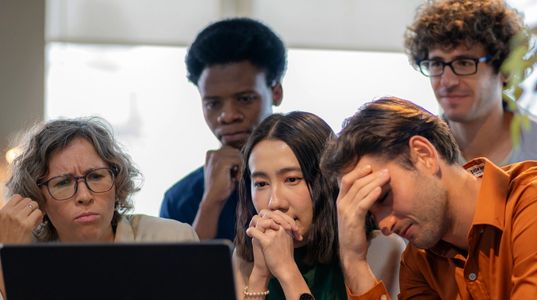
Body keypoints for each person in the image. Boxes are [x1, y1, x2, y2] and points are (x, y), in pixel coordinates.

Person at [320, 97, 537, 299]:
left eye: (385, 195)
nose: (384, 224)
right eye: (371, 213)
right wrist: (354, 260)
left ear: (424, 155)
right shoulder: (419, 261)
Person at [404, 0, 537, 193]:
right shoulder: (417, 156)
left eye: (464, 63)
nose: (447, 81)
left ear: (505, 68)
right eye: (437, 64)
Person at [0, 117, 198, 299]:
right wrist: (10, 262)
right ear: (37, 197)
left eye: (96, 177)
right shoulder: (24, 256)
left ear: (117, 180)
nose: (84, 196)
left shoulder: (173, 240)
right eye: (63, 183)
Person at [160, 17, 286, 240]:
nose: (227, 116)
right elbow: (177, 274)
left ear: (275, 92)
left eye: (245, 99)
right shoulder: (181, 199)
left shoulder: (319, 176)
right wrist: (210, 204)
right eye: (213, 103)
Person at [233, 112, 346, 299]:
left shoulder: (375, 247)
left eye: (292, 179)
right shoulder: (245, 256)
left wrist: (286, 271)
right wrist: (260, 275)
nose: (275, 202)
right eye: (261, 184)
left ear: (327, 180)